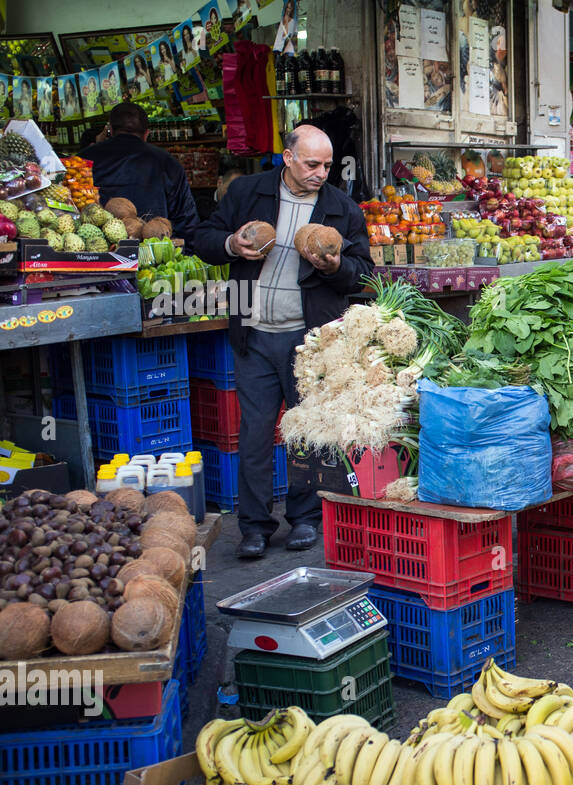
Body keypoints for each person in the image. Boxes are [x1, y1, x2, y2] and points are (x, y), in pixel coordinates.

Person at [191, 125, 372, 559]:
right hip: (254, 335)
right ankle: (253, 526)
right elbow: (202, 238)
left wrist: (333, 268)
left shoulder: (341, 208)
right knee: (254, 433)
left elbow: (363, 270)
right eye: (312, 164)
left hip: (309, 341)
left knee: (306, 433)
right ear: (287, 158)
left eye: (327, 165)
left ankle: (305, 519)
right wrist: (232, 244)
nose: (320, 173)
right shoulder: (247, 193)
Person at [79, 102, 200, 242]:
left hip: (100, 251)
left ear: (111, 130)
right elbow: (186, 219)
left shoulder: (84, 160)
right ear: (146, 134)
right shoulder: (168, 162)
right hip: (156, 250)